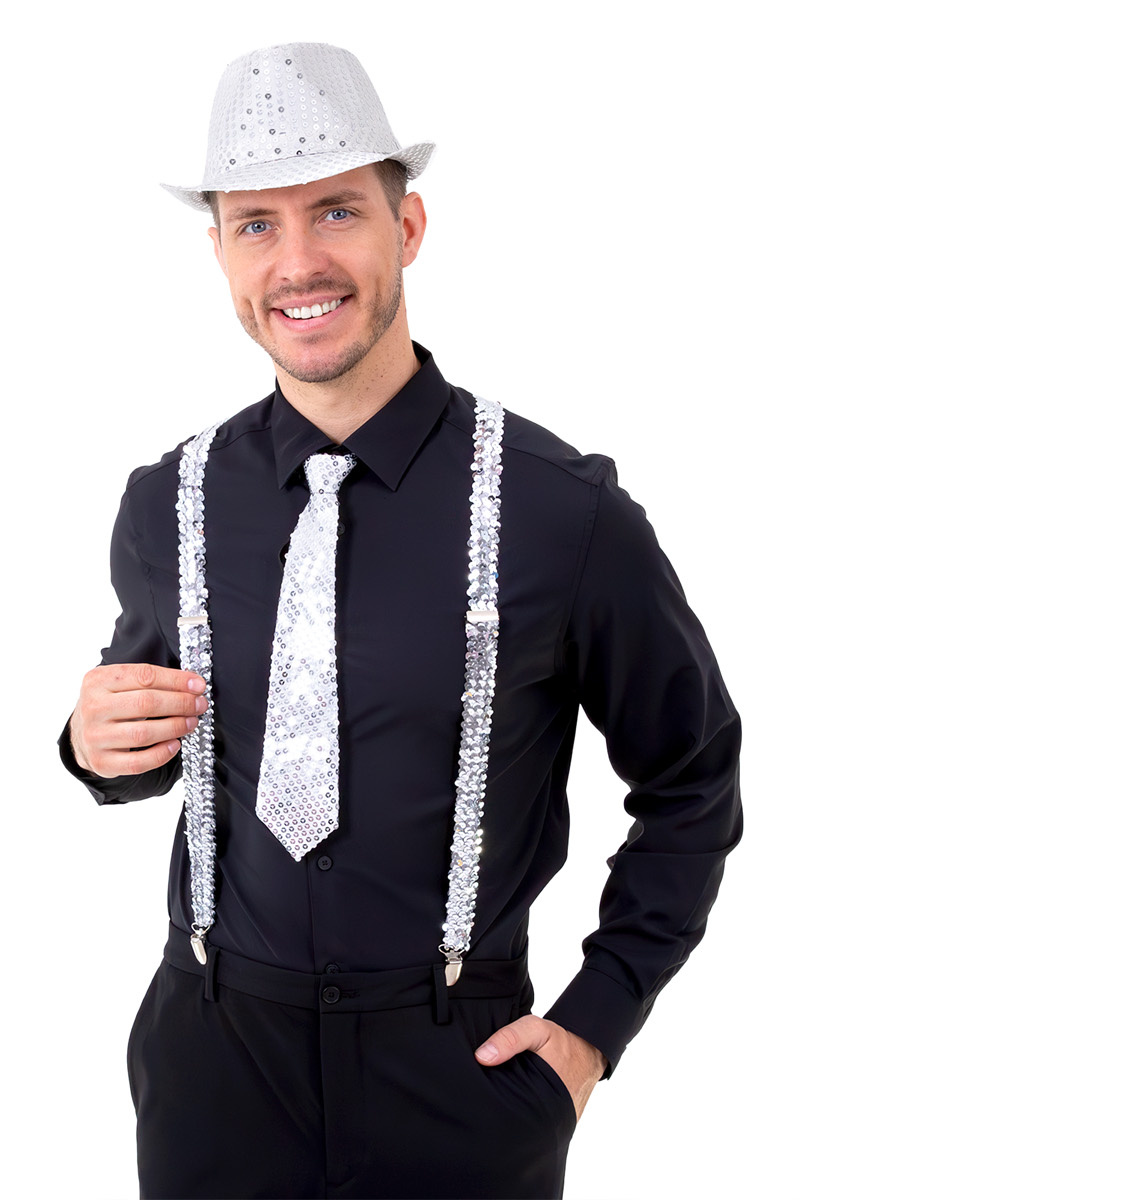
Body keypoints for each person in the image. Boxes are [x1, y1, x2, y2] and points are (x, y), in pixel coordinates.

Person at [58, 42, 742, 1199]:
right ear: (220, 253)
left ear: (407, 227)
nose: (298, 262)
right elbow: (151, 751)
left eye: (336, 211)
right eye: (256, 224)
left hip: (459, 1077)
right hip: (213, 1066)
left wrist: (593, 1024)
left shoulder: (561, 511)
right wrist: (92, 747)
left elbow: (693, 779)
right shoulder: (165, 501)